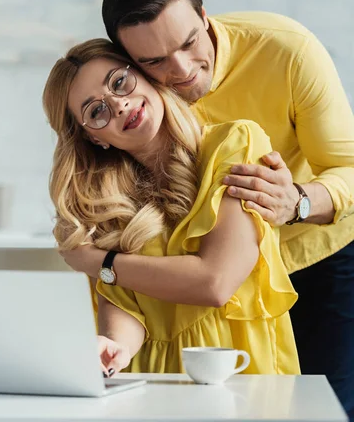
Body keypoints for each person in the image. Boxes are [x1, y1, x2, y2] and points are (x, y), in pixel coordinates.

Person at [62, 0, 354, 419]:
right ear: (130, 60)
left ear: (203, 15)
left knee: (326, 402)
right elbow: (129, 302)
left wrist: (296, 201)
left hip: (317, 250)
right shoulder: (123, 144)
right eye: (153, 61)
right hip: (202, 287)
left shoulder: (285, 52)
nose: (179, 70)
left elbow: (348, 167)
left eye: (189, 42)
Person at [43, 38, 300, 376]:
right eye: (96, 111)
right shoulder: (103, 202)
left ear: (144, 74)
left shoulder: (236, 144)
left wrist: (98, 261)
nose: (118, 105)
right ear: (95, 138)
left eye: (119, 83)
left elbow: (216, 281)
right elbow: (126, 308)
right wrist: (113, 346)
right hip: (152, 379)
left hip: (237, 371)